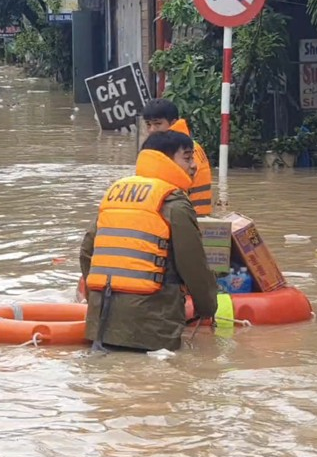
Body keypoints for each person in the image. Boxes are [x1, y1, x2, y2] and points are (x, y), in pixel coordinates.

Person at [79, 130, 219, 352]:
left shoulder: (115, 193)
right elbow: (194, 265)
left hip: (101, 324)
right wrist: (208, 306)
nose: (194, 165)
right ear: (165, 159)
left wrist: (96, 299)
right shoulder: (174, 203)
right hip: (151, 328)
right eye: (187, 157)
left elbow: (87, 252)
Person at [141, 99, 213, 216]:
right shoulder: (187, 145)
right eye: (148, 124)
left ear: (173, 123)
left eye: (157, 124)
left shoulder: (177, 151)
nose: (152, 130)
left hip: (186, 215)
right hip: (196, 215)